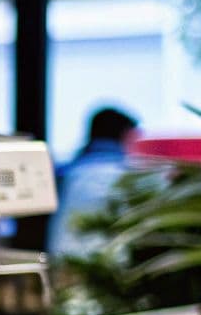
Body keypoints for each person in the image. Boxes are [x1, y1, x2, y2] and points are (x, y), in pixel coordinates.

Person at [49, 106, 137, 258]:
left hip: (63, 258)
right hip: (109, 263)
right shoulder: (127, 173)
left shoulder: (67, 171)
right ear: (124, 136)